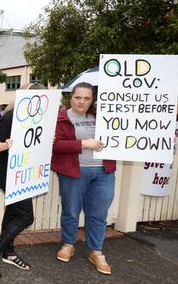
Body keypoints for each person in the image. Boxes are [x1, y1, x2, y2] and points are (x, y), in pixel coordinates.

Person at [0, 84, 45, 279]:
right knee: (26, 216)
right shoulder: (11, 117)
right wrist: (6, 145)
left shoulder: (37, 120)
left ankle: (8, 253)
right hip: (8, 174)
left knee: (12, 214)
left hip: (24, 173)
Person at [52, 82, 116, 275]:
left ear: (92, 100)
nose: (81, 101)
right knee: (71, 211)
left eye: (87, 98)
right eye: (78, 97)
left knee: (98, 213)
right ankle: (68, 244)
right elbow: (55, 146)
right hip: (74, 171)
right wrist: (84, 143)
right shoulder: (60, 118)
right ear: (71, 97)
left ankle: (96, 251)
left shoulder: (104, 117)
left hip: (104, 172)